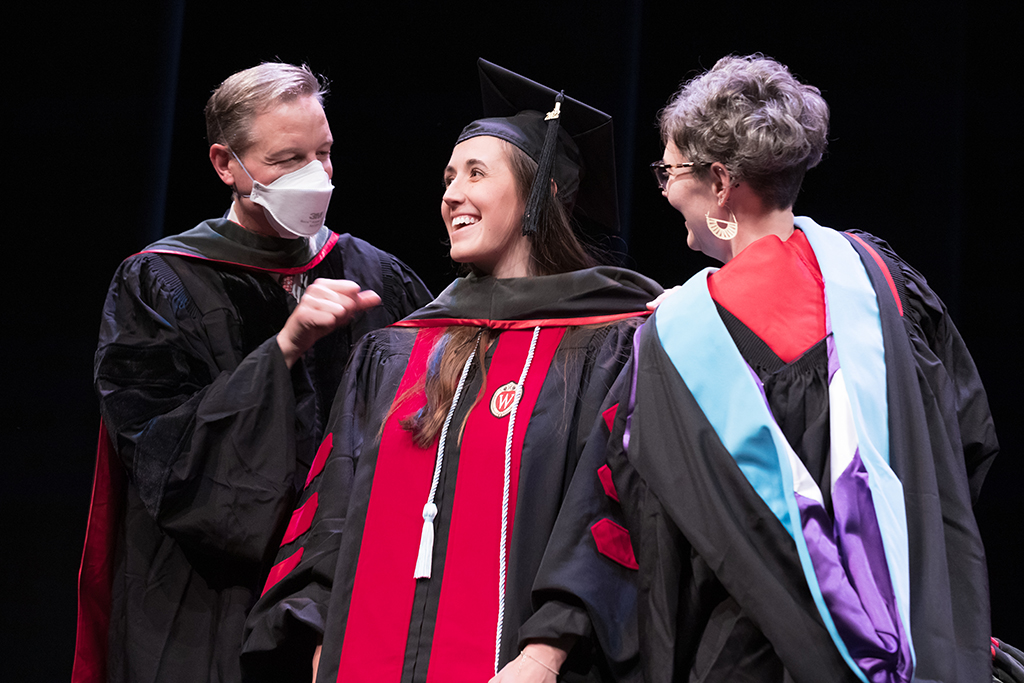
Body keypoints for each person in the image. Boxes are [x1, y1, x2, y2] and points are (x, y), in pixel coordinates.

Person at [533, 54, 999, 683]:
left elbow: (645, 519)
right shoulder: (883, 282)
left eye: (669, 171)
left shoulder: (679, 335)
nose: (666, 190)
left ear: (720, 183)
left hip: (745, 653)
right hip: (918, 638)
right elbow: (968, 440)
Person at [241, 59, 663, 683]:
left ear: (539, 193)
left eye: (475, 173)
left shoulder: (608, 346)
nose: (450, 195)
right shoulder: (396, 353)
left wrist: (545, 655)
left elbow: (605, 513)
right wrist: (319, 638)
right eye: (447, 177)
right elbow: (331, 505)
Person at [73, 62, 432, 683]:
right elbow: (167, 460)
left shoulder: (378, 276)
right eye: (286, 160)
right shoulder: (160, 283)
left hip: (346, 594)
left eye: (323, 153)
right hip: (201, 603)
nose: (315, 178)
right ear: (225, 164)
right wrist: (285, 348)